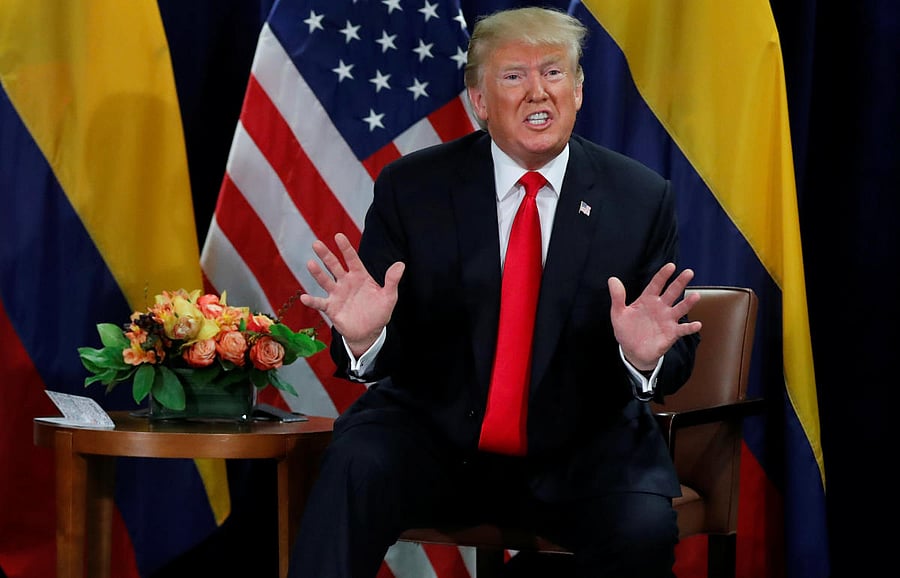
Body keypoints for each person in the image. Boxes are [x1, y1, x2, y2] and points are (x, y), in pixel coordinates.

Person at [288, 6, 702, 578]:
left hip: (582, 449)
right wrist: (366, 339)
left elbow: (672, 349)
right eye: (514, 76)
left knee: (643, 533)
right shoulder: (414, 188)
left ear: (579, 91)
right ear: (480, 101)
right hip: (436, 439)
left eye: (554, 73)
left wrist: (641, 358)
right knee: (355, 466)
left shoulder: (639, 197)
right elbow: (378, 333)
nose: (539, 92)